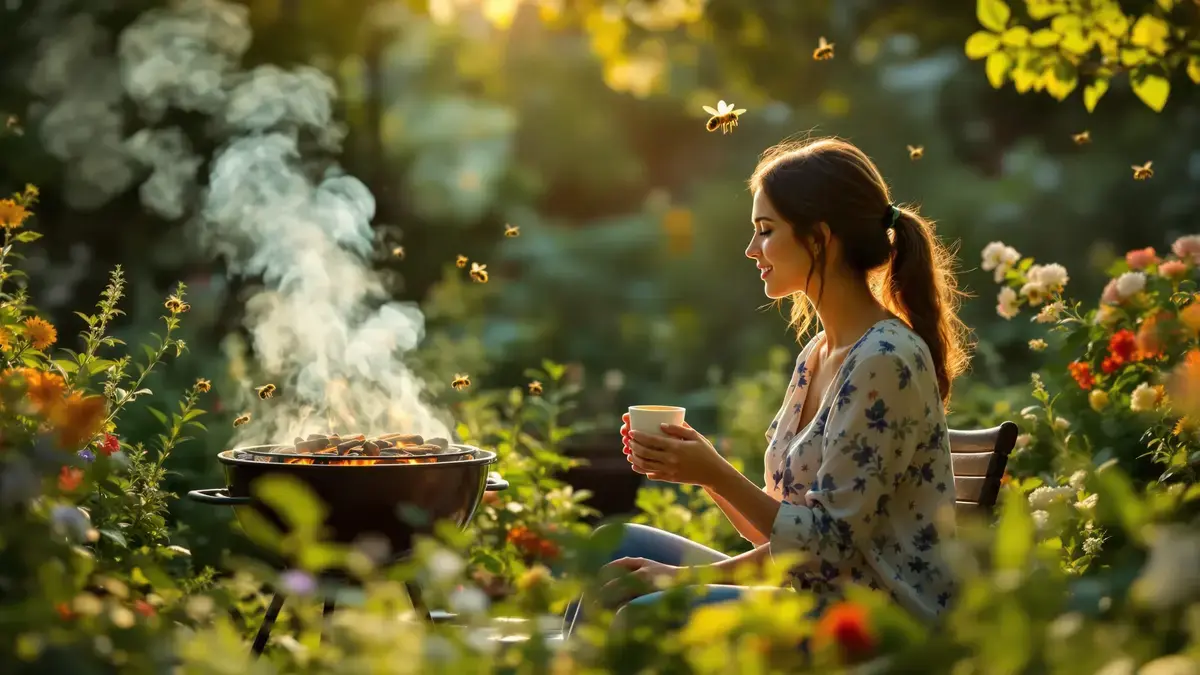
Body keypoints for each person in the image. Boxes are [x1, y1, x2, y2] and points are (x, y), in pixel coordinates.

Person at [563, 136, 972, 638]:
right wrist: (702, 469)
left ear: (819, 238)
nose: (751, 249)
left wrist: (687, 575)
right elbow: (779, 534)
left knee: (643, 613)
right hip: (812, 593)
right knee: (610, 545)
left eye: (766, 230)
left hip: (875, 618)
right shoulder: (817, 355)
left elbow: (830, 548)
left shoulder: (886, 360)